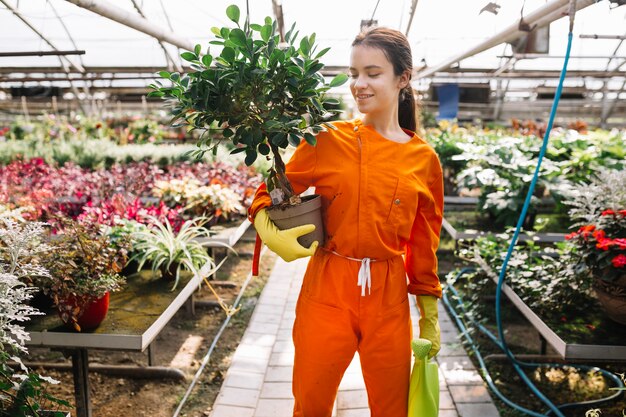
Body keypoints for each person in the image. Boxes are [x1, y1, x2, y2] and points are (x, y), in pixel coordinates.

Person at [248, 26, 443, 417]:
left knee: (392, 409)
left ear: (403, 78)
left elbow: (425, 241)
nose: (359, 84)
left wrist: (429, 313)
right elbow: (269, 191)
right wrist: (267, 228)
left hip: (388, 297)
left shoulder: (424, 160)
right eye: (354, 73)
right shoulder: (328, 139)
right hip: (328, 288)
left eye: (373, 73)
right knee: (311, 404)